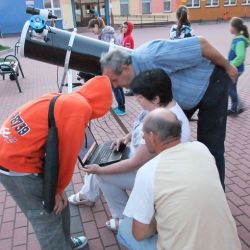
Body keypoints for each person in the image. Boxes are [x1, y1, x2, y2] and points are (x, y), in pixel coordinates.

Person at [100, 36, 238, 190]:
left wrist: (228, 66)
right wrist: (128, 138)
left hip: (211, 83)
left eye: (114, 80)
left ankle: (215, 194)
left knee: (211, 147)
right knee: (163, 135)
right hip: (184, 97)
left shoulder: (152, 55)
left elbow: (201, 44)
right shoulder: (136, 74)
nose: (115, 86)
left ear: (125, 68)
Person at [68, 69, 190, 231]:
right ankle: (88, 194)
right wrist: (127, 137)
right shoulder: (164, 105)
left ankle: (123, 220)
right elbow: (143, 126)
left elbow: (135, 163)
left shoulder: (161, 124)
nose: (137, 100)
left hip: (155, 177)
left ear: (155, 98)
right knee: (101, 159)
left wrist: (101, 171)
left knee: (102, 173)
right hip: (146, 162)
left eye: (140, 97)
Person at [0, 76, 112, 250]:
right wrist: (57, 189)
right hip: (16, 164)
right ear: (102, 104)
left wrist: (58, 189)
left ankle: (66, 244)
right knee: (46, 215)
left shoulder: (66, 98)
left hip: (12, 151)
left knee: (61, 204)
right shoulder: (79, 109)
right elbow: (65, 156)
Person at [118, 108, 241, 250]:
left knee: (125, 229)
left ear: (152, 136)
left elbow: (139, 233)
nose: (142, 136)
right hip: (230, 245)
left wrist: (159, 219)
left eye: (143, 133)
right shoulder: (202, 149)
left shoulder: (148, 171)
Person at [88, 17, 126, 116]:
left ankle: (122, 108)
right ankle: (122, 106)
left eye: (93, 30)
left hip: (114, 63)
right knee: (118, 85)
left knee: (115, 86)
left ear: (96, 26)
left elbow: (105, 51)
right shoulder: (107, 33)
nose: (93, 32)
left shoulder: (105, 35)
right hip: (117, 61)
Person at [228, 17, 249, 116]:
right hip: (234, 68)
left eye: (230, 26)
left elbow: (240, 57)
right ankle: (237, 106)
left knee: (230, 88)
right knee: (231, 88)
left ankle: (235, 108)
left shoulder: (239, 41)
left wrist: (230, 65)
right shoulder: (237, 39)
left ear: (234, 28)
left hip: (235, 69)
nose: (229, 28)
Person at [121, 21, 136, 97]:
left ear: (129, 28)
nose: (124, 28)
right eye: (123, 27)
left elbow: (127, 51)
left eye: (126, 27)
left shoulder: (128, 38)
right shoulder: (125, 37)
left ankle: (132, 90)